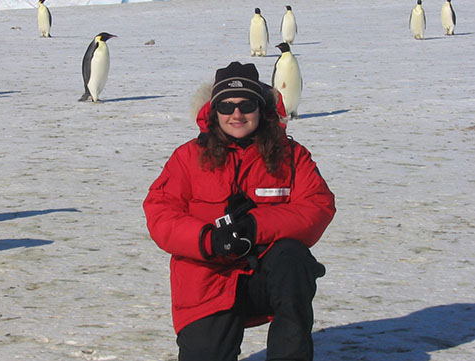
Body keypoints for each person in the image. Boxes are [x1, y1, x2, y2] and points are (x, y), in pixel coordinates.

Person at [143, 61, 335, 361]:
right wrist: (208, 239)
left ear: (261, 108)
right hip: (208, 277)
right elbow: (160, 212)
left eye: (246, 105)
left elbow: (318, 205)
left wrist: (256, 226)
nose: (236, 114)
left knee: (292, 259)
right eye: (226, 106)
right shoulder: (188, 157)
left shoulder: (290, 156)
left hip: (266, 275)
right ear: (212, 111)